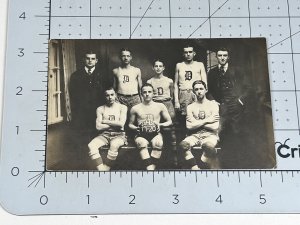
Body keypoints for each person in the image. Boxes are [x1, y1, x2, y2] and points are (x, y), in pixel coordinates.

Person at [207, 47, 251, 168]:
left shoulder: (237, 71)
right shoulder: (212, 72)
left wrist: (240, 100)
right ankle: (224, 164)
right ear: (216, 57)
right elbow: (209, 91)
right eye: (219, 55)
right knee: (221, 135)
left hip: (236, 107)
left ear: (228, 57)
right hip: (222, 107)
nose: (222, 58)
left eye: (224, 55)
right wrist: (214, 102)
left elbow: (247, 87)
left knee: (238, 134)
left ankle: (240, 164)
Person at [129, 83, 172, 170]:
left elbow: (169, 121)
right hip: (141, 133)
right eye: (144, 92)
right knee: (142, 143)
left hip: (155, 133)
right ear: (141, 94)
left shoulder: (160, 106)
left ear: (153, 93)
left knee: (159, 143)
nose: (147, 94)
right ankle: (151, 170)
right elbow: (130, 124)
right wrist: (136, 128)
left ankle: (150, 169)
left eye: (149, 92)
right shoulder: (135, 108)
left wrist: (159, 124)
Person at [179, 80, 220, 170]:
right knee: (183, 145)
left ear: (206, 90)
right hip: (194, 135)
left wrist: (196, 123)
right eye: (196, 89)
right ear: (193, 91)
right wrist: (208, 120)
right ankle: (195, 168)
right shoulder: (190, 107)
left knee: (209, 147)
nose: (199, 91)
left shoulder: (213, 105)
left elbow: (215, 126)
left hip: (210, 135)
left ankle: (201, 163)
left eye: (201, 88)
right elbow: (189, 126)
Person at [87, 87, 127, 171]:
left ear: (115, 95)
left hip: (119, 135)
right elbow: (98, 127)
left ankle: (106, 169)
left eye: (112, 95)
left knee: (114, 145)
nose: (110, 97)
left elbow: (121, 124)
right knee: (91, 145)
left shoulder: (122, 107)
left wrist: (105, 121)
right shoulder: (100, 109)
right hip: (105, 135)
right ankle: (102, 170)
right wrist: (115, 124)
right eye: (107, 95)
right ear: (104, 97)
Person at [147, 59, 177, 167]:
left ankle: (173, 157)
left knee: (171, 128)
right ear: (153, 68)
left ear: (163, 68)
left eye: (160, 66)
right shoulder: (150, 82)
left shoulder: (169, 80)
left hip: (167, 103)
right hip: (155, 103)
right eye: (156, 66)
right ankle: (156, 156)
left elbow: (172, 95)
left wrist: (168, 103)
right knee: (155, 127)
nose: (158, 68)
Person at [69, 50, 108, 134]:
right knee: (82, 135)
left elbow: (106, 93)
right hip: (82, 112)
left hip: (98, 111)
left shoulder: (103, 75)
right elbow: (73, 95)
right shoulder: (76, 75)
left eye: (93, 59)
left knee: (97, 135)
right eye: (88, 58)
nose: (90, 61)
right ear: (84, 59)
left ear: (96, 61)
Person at [174, 45, 207, 116]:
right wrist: (176, 101)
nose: (188, 54)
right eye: (186, 52)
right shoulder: (179, 65)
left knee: (199, 115)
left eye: (190, 52)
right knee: (185, 117)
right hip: (184, 93)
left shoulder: (200, 65)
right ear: (183, 54)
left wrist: (204, 98)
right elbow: (175, 84)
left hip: (197, 93)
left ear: (194, 53)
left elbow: (205, 83)